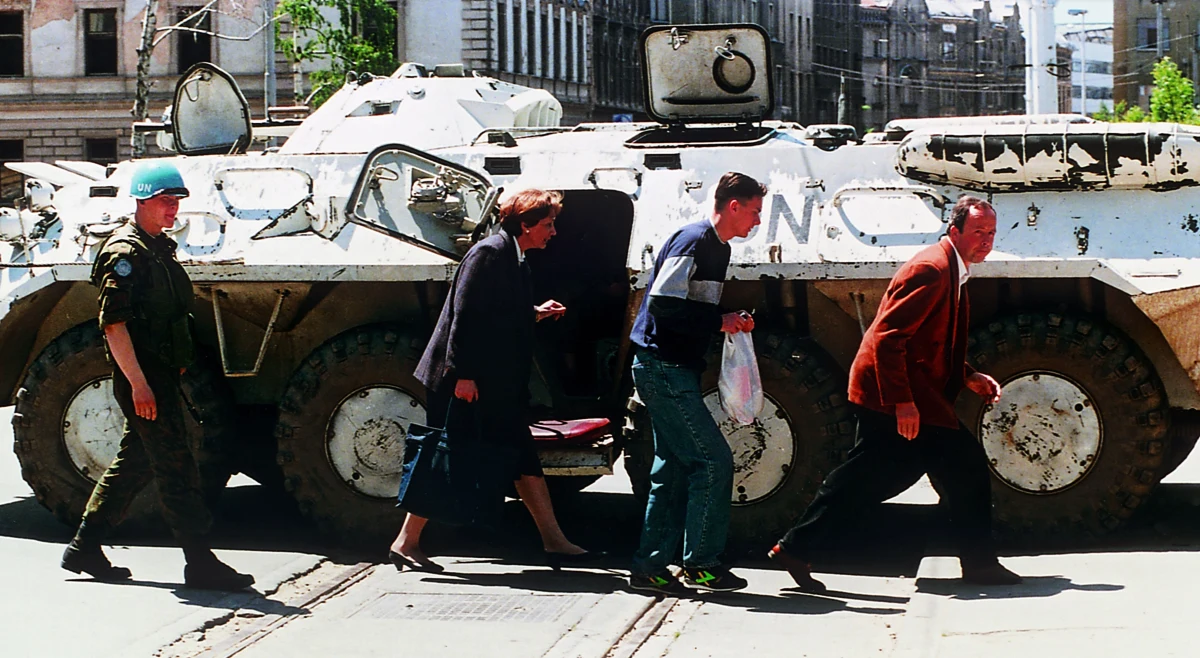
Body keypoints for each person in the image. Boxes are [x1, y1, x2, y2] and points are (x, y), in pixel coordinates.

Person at [768, 196, 1022, 592]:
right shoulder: (933, 270)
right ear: (955, 231)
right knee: (963, 465)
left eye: (991, 233)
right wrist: (902, 402)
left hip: (900, 391)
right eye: (978, 232)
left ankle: (795, 547)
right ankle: (979, 564)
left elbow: (931, 342)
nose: (986, 241)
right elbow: (888, 339)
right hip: (892, 394)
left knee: (867, 477)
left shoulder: (951, 268)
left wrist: (968, 376)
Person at [61, 161, 254, 591]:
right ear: (143, 202)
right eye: (166, 202)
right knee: (176, 468)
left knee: (136, 463)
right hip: (143, 380)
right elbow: (114, 326)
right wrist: (139, 384)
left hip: (161, 375)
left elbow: (169, 314)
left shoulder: (156, 248)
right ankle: (199, 561)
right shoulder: (125, 254)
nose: (173, 211)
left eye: (176, 203)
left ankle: (84, 546)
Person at [388, 188, 602, 572]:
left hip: (493, 383)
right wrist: (464, 375)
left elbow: (495, 312)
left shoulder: (515, 257)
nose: (553, 232)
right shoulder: (489, 253)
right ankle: (406, 542)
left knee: (517, 458)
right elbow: (464, 316)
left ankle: (554, 540)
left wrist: (534, 313)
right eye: (548, 224)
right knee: (448, 454)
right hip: (466, 381)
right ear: (526, 225)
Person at [626, 172, 763, 595]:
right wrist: (719, 321)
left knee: (671, 471)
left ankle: (650, 568)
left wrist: (726, 321)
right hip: (663, 367)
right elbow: (665, 304)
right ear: (733, 206)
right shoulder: (694, 240)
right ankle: (701, 564)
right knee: (713, 462)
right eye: (754, 212)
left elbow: (683, 306)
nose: (757, 222)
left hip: (668, 366)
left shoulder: (714, 246)